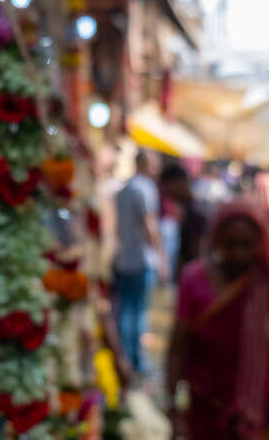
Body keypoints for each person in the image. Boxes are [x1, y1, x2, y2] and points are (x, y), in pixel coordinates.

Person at [166, 201, 269, 440]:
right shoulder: (194, 279)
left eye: (247, 244)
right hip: (207, 413)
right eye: (230, 244)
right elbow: (177, 348)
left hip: (266, 416)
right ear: (217, 239)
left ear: (260, 243)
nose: (238, 253)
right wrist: (172, 405)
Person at [114, 150, 167, 373]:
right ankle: (135, 362)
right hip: (141, 259)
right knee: (137, 312)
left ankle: (125, 358)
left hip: (123, 258)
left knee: (125, 310)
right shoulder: (144, 188)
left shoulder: (123, 189)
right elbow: (149, 225)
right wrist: (162, 257)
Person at [160, 163, 209, 278]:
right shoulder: (186, 209)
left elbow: (198, 253)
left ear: (178, 183)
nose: (166, 193)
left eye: (167, 187)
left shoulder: (196, 212)